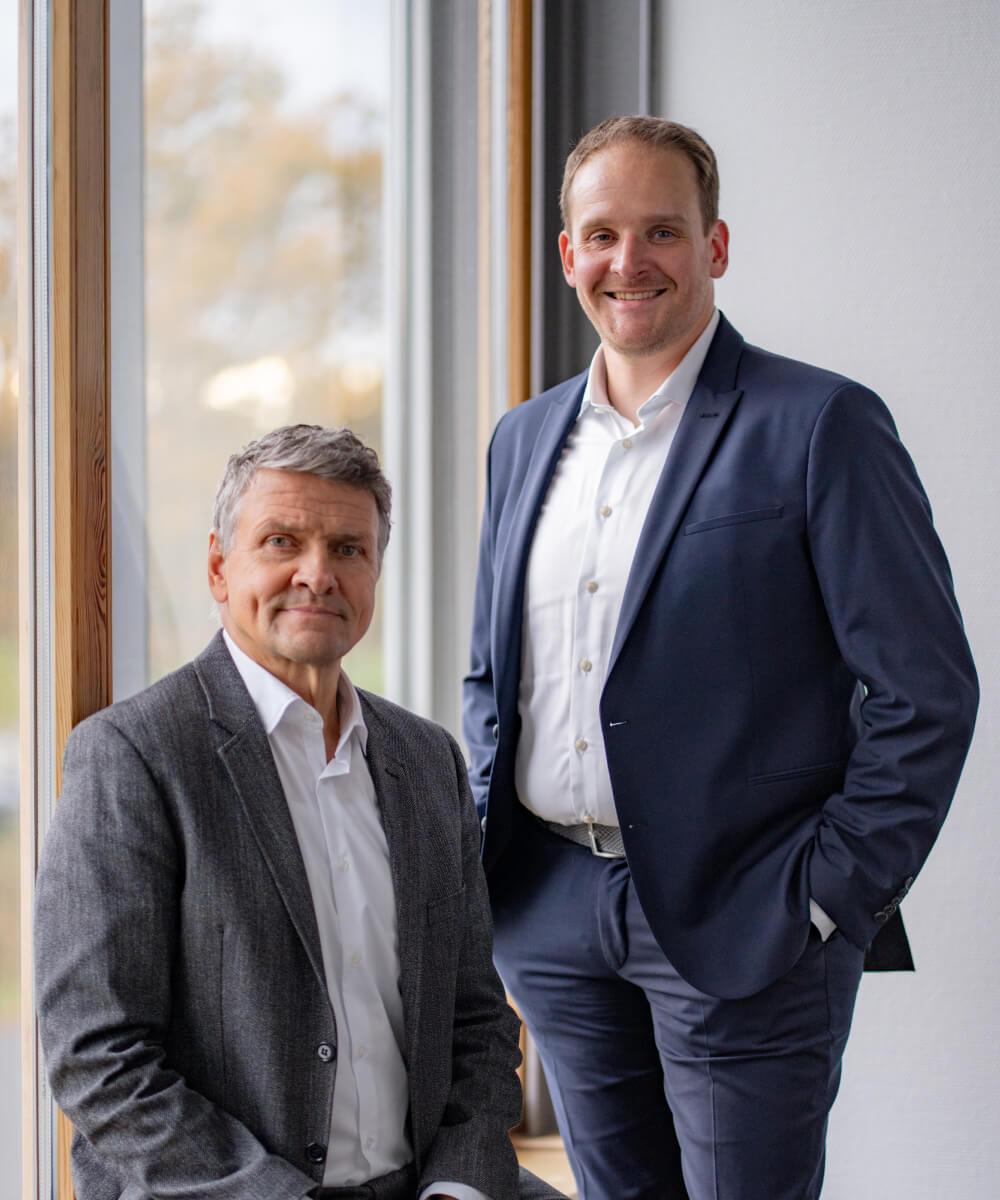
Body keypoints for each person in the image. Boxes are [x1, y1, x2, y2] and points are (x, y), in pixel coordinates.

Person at [463, 116, 979, 1200]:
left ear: (715, 246)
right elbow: (493, 678)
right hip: (550, 913)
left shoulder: (818, 423)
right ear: (567, 256)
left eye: (661, 231)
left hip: (750, 918)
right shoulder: (522, 439)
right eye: (601, 235)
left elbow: (923, 691)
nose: (628, 262)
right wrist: (491, 862)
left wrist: (827, 899)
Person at [35, 425, 564, 1200]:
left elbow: (478, 1023)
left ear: (376, 571)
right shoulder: (134, 755)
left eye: (348, 549)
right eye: (282, 542)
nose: (316, 574)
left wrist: (458, 1187)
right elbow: (97, 1058)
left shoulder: (427, 761)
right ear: (220, 567)